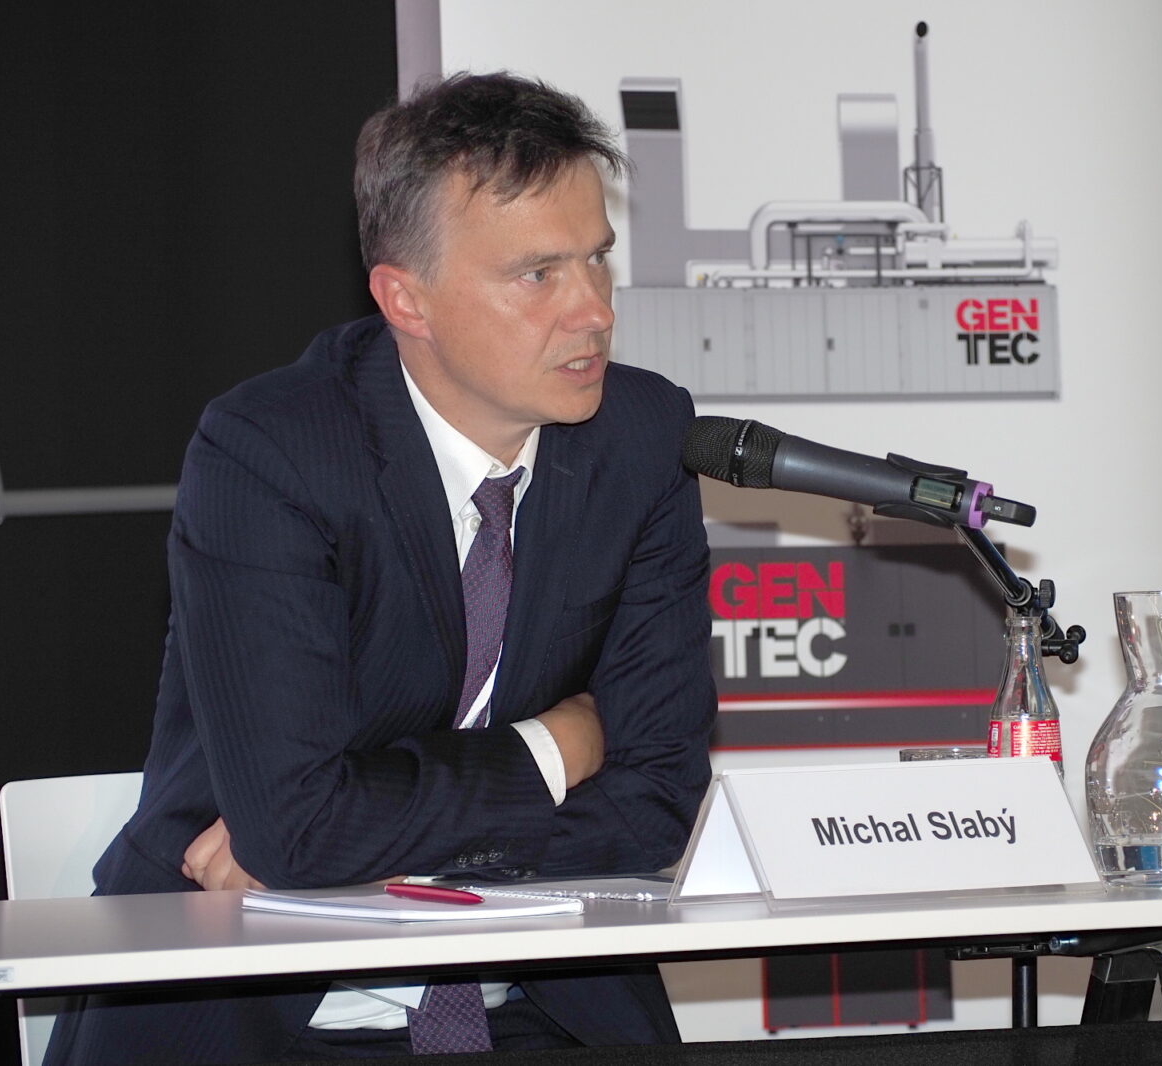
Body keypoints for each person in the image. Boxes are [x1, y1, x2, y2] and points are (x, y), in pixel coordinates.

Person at [44, 72, 716, 1064]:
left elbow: (656, 799)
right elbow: (301, 826)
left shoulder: (642, 435)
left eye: (596, 259)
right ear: (406, 298)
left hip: (540, 1006)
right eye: (537, 274)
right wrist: (556, 749)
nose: (592, 311)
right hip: (258, 1008)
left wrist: (364, 849)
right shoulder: (274, 450)